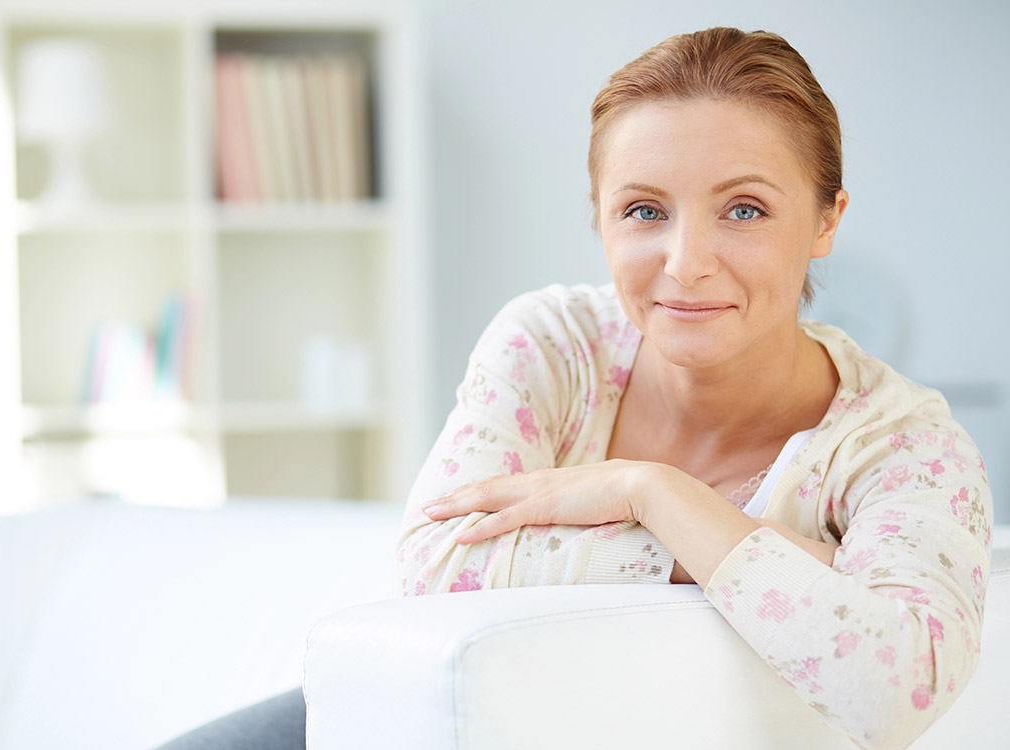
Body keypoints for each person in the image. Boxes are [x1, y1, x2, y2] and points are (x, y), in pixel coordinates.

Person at [158, 26, 993, 750]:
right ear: (597, 215)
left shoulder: (904, 447)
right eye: (643, 210)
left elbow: (896, 690)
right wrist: (786, 564)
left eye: (743, 210)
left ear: (825, 220)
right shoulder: (555, 347)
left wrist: (652, 492)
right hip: (426, 723)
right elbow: (435, 566)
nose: (686, 261)